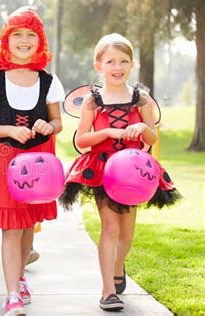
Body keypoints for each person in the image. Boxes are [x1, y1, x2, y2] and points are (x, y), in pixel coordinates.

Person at [59, 33, 181, 311]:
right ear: (98, 65)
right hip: (103, 168)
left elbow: (151, 137)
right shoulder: (93, 99)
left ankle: (117, 266)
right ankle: (107, 291)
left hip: (134, 172)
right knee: (110, 227)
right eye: (110, 61)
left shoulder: (141, 98)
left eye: (124, 61)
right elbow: (80, 141)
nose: (117, 66)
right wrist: (108, 131)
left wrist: (143, 129)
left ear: (132, 64)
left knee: (126, 234)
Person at [0, 7, 64, 315]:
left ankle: (20, 276)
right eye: (17, 35)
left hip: (39, 161)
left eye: (31, 35)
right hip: (4, 157)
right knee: (11, 226)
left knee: (29, 223)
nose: (24, 41)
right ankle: (12, 293)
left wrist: (47, 126)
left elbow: (58, 122)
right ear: (6, 40)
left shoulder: (49, 81)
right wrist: (10, 129)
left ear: (40, 42)